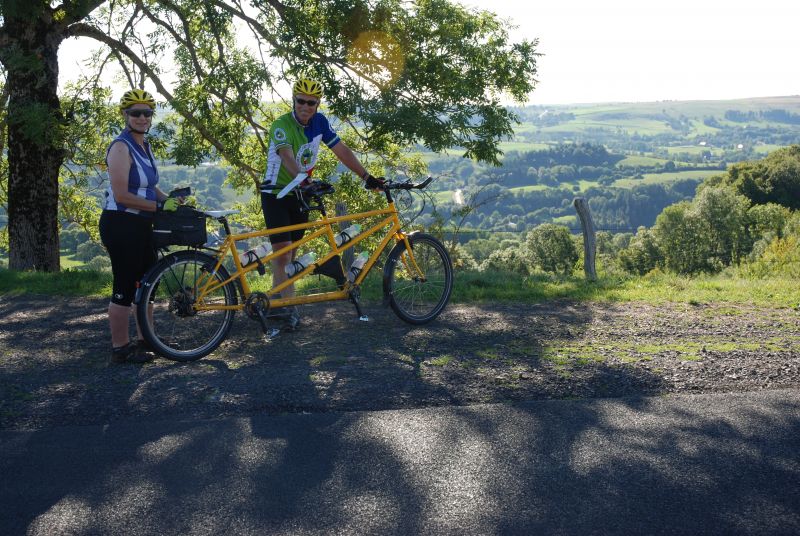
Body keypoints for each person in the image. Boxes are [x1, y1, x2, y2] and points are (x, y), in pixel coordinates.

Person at [260, 78, 383, 330]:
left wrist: (367, 177)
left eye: (311, 102)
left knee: (291, 254)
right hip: (276, 193)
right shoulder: (281, 125)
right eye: (300, 101)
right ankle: (287, 310)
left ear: (317, 104)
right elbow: (286, 157)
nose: (305, 106)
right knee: (283, 252)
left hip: (300, 194)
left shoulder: (320, 123)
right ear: (293, 100)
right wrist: (304, 180)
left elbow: (342, 151)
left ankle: (274, 303)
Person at [99, 89, 178, 364]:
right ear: (125, 115)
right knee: (125, 287)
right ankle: (120, 348)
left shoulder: (144, 144)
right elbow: (122, 195)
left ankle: (148, 340)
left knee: (147, 284)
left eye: (147, 113)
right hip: (121, 224)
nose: (142, 118)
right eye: (136, 113)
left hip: (142, 224)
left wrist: (171, 202)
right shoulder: (120, 147)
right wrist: (158, 207)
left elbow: (150, 186)